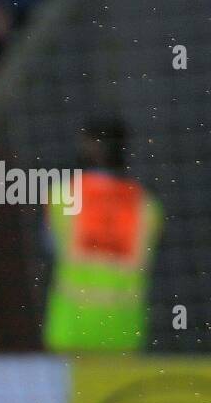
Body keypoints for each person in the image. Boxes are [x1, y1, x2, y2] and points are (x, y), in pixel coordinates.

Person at [44, 121, 162, 352]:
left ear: (89, 147)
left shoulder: (64, 194)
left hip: (72, 326)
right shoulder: (145, 205)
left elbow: (51, 247)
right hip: (123, 330)